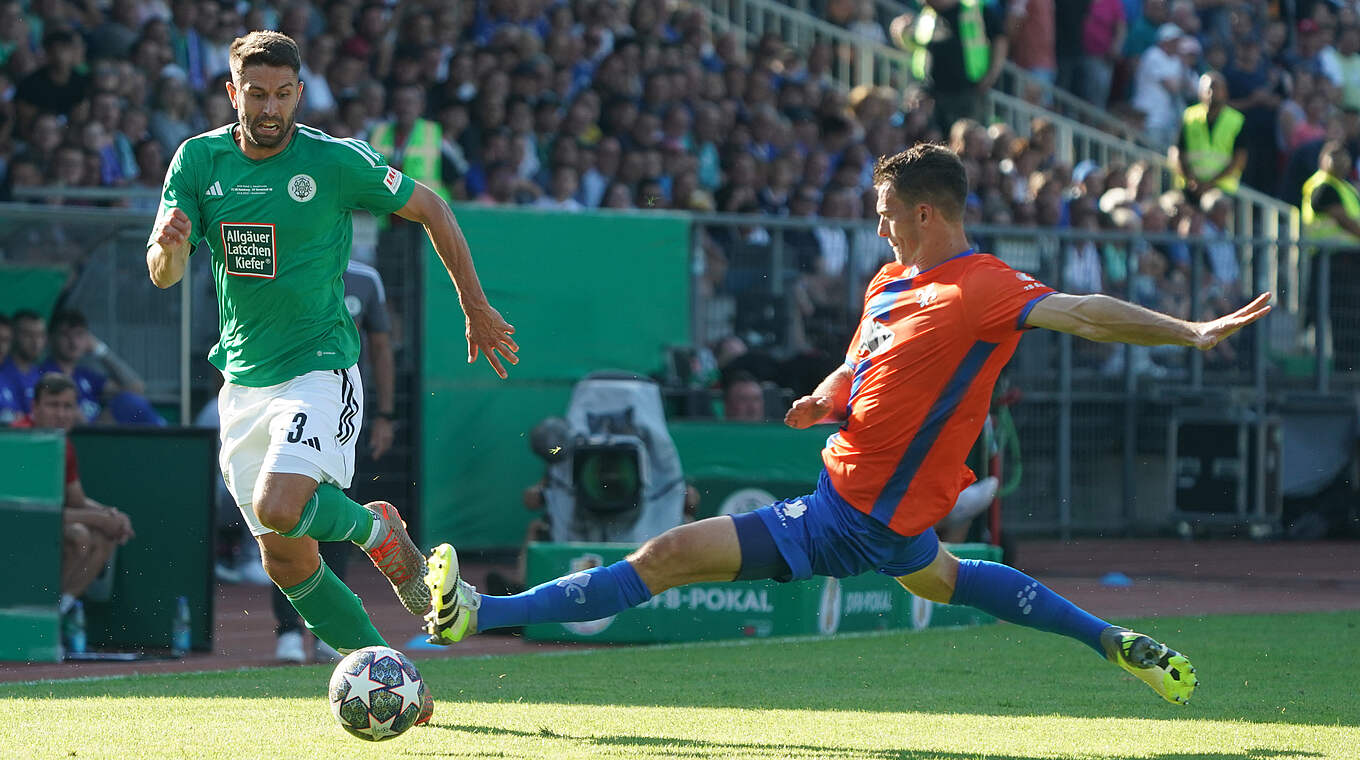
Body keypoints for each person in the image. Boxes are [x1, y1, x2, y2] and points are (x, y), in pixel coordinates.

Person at [424, 143, 1274, 707]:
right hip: (882, 506)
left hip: (855, 512)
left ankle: (479, 615)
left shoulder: (983, 288)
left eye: (888, 211)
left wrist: (1189, 330)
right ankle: (1116, 641)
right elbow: (856, 366)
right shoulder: (888, 282)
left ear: (928, 215)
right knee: (949, 578)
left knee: (670, 554)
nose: (878, 224)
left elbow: (1086, 313)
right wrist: (826, 397)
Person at [146, 31, 517, 721]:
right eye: (256, 93)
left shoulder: (333, 160)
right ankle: (400, 681)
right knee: (285, 562)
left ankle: (378, 534)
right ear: (233, 92)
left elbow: (431, 206)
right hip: (243, 384)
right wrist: (168, 248)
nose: (270, 107)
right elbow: (163, 272)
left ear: (299, 93)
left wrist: (474, 304)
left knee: (282, 507)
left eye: (284, 94)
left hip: (320, 369)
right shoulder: (198, 160)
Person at [270, 257, 398, 663]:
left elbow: (380, 346)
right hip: (282, 399)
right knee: (276, 514)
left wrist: (384, 415)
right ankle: (288, 629)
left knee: (330, 516)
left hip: (340, 407)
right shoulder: (284, 266)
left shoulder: (365, 278)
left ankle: (332, 633)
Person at [13, 373, 135, 626]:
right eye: (52, 405)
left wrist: (111, 514)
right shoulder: (21, 438)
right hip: (14, 528)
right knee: (79, 536)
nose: (61, 414)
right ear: (35, 408)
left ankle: (55, 616)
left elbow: (76, 499)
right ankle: (36, 615)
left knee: (105, 536)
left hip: (42, 525)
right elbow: (34, 512)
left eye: (67, 406)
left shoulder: (63, 445)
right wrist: (100, 518)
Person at [889, 0, 1009, 133]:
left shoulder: (974, 9)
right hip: (931, 92)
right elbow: (915, 45)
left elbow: (999, 40)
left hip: (968, 91)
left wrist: (991, 75)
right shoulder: (927, 15)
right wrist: (900, 33)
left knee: (966, 138)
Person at [39, 308, 165, 426]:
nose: (74, 342)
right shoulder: (45, 374)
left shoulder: (84, 375)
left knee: (130, 401)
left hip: (100, 432)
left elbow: (136, 387)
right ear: (51, 339)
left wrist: (101, 350)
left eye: (79, 335)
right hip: (82, 436)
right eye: (65, 335)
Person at [1301, 140, 1360, 372]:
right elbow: (1345, 220)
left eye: (1343, 155)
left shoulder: (1345, 186)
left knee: (1350, 316)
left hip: (1346, 260)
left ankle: (1349, 365)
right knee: (1340, 316)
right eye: (1333, 155)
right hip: (1331, 261)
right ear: (1322, 159)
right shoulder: (1323, 186)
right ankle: (1342, 368)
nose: (1340, 160)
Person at [1169, 72, 1247, 203]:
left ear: (1225, 92)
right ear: (1200, 92)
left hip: (1222, 190)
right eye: (1208, 89)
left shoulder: (1237, 120)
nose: (1212, 92)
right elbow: (1177, 152)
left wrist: (1211, 183)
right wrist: (1190, 179)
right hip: (1191, 189)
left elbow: (1239, 159)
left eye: (1217, 88)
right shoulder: (1189, 116)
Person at [0, 309, 46, 413]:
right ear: (14, 336)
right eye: (28, 335)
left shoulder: (42, 375)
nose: (36, 342)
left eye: (40, 335)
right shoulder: (4, 371)